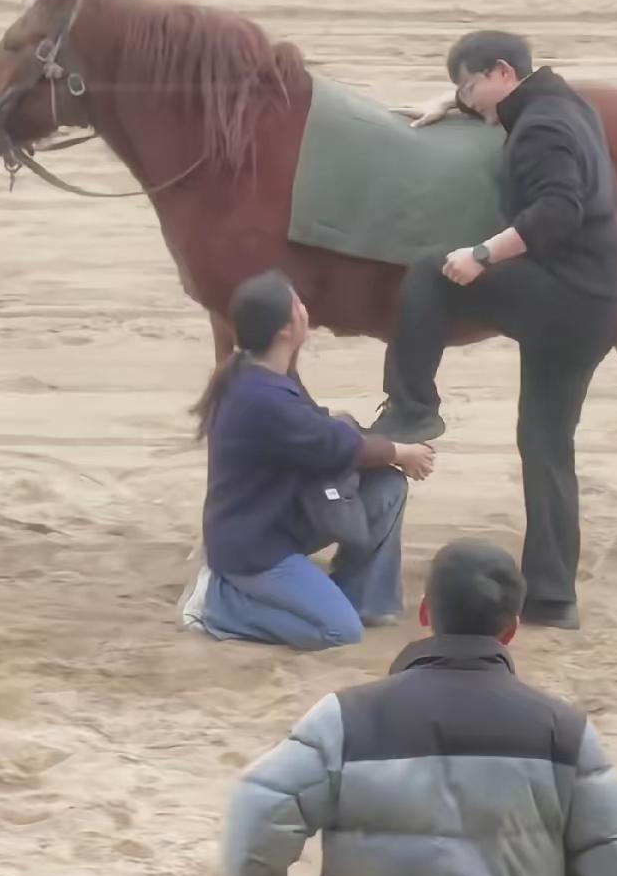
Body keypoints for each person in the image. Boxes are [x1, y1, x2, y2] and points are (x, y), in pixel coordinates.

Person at [223, 538, 617, 876]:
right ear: (511, 629)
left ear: (426, 613)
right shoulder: (562, 733)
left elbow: (256, 815)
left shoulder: (345, 720)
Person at [371, 31, 617, 630]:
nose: (468, 98)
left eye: (469, 85)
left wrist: (482, 255)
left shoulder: (539, 129)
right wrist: (451, 103)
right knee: (545, 444)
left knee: (432, 273)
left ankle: (412, 407)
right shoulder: (559, 99)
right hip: (598, 302)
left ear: (502, 72)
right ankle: (552, 595)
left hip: (564, 298)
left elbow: (558, 210)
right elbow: (498, 102)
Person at [180, 269, 435, 649]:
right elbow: (335, 444)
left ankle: (363, 599)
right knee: (339, 631)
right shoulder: (262, 397)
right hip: (254, 548)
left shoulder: (267, 375)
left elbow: (324, 436)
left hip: (284, 517)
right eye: (297, 305)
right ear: (285, 329)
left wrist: (389, 458)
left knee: (386, 486)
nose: (305, 310)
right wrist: (402, 452)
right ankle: (217, 603)